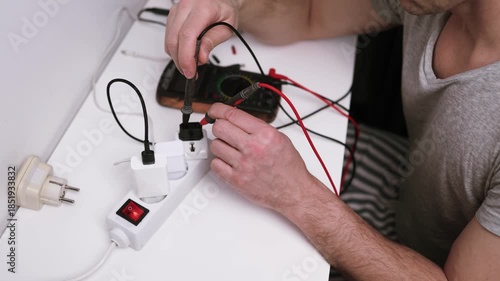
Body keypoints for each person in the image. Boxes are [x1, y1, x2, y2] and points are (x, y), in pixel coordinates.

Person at [165, 0, 500, 279]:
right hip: (402, 181)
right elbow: (310, 15)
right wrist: (235, 3)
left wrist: (298, 195)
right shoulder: (431, 4)